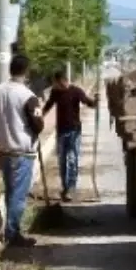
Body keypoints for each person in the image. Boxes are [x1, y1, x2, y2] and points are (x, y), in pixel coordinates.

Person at [0, 54, 45, 248]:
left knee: (11, 190)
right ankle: (13, 234)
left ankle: (10, 228)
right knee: (18, 195)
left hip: (0, 151)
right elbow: (38, 124)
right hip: (20, 152)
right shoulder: (28, 96)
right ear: (26, 72)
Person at [42, 70, 99, 203]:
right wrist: (40, 117)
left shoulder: (76, 91)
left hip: (74, 130)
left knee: (72, 159)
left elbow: (86, 102)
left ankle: (71, 188)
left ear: (61, 80)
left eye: (55, 82)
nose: (54, 85)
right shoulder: (55, 92)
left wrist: (95, 102)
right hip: (61, 131)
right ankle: (65, 187)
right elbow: (49, 104)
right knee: (62, 160)